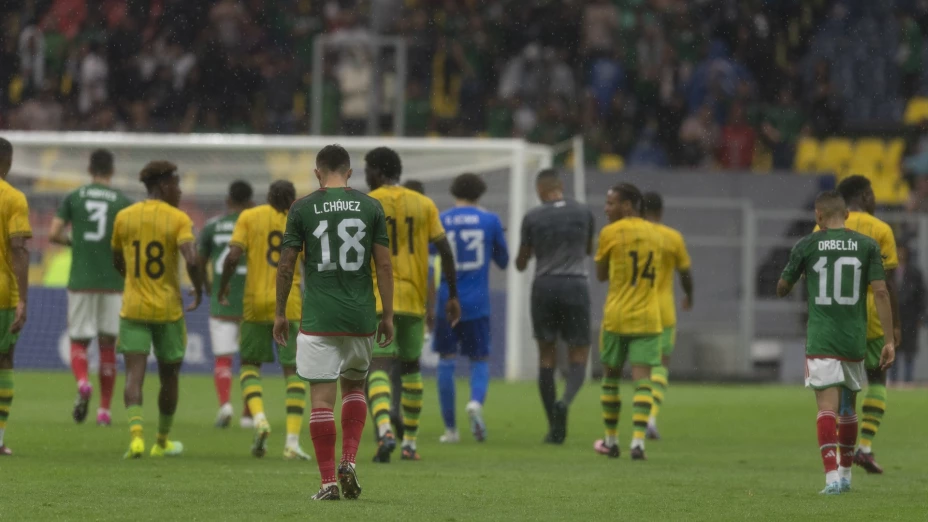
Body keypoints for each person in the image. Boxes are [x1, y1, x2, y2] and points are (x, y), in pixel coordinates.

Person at [274, 144, 394, 500]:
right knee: (355, 388)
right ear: (350, 173)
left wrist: (280, 313)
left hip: (318, 317)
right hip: (360, 316)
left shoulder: (302, 208)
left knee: (321, 401)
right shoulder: (371, 206)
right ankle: (349, 461)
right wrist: (387, 314)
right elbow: (384, 266)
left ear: (317, 173)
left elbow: (286, 265)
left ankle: (328, 482)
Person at [777, 190, 895, 495]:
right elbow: (881, 293)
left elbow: (781, 288)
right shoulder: (868, 245)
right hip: (854, 337)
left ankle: (830, 478)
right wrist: (890, 339)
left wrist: (797, 274)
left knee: (826, 408)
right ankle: (846, 475)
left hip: (822, 337)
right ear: (846, 215)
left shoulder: (807, 244)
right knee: (848, 408)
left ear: (818, 216)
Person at [365, 147, 460, 462]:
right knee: (410, 368)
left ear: (377, 171)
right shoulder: (424, 204)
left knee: (377, 366)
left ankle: (384, 430)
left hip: (379, 297)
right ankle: (411, 444)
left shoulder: (368, 203)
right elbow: (445, 251)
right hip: (414, 299)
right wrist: (453, 295)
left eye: (367, 170)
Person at [112, 161, 206, 458]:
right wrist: (199, 287)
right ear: (164, 185)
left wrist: (132, 279)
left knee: (133, 376)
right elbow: (191, 258)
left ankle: (136, 437)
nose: (179, 190)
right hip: (167, 310)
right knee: (169, 377)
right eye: (177, 184)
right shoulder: (178, 218)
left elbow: (117, 257)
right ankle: (162, 441)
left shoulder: (124, 217)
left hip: (134, 307)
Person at [217, 180, 309, 460]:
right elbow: (310, 264)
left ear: (268, 196)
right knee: (293, 370)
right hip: (289, 303)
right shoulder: (301, 220)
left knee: (249, 366)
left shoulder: (249, 216)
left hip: (255, 303)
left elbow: (232, 256)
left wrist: (223, 286)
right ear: (293, 200)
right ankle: (292, 442)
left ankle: (259, 419)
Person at [817, 175, 901, 474]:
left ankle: (842, 456)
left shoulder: (823, 226)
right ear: (865, 195)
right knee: (877, 380)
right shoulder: (881, 230)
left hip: (837, 317)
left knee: (843, 388)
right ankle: (864, 446)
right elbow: (887, 285)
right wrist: (896, 327)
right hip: (874, 316)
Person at [48, 149, 132, 427]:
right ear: (112, 170)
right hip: (113, 283)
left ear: (89, 169)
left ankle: (83, 382)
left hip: (82, 281)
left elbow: (53, 233)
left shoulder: (75, 197)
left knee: (79, 341)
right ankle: (104, 411)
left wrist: (78, 243)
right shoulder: (121, 201)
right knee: (108, 344)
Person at [515, 169, 595, 445]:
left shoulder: (534, 216)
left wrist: (534, 252)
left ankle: (554, 427)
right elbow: (587, 250)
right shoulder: (584, 212)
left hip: (544, 286)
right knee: (579, 353)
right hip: (575, 284)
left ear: (540, 190)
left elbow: (521, 261)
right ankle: (566, 400)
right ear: (560, 186)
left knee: (547, 357)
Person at [435, 173, 509, 444]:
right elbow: (504, 261)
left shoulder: (441, 219)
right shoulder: (490, 220)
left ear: (454, 190)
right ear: (480, 193)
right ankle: (475, 402)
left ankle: (451, 430)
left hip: (447, 299)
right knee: (479, 360)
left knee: (446, 359)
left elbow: (432, 256)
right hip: (477, 302)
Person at [593, 183, 662, 461]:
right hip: (647, 316)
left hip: (617, 316)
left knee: (610, 378)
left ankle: (611, 441)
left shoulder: (609, 233)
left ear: (627, 206)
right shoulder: (655, 234)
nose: (606, 209)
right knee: (643, 381)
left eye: (611, 204)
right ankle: (638, 444)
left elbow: (600, 275)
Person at [197, 180, 253, 428]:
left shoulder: (212, 226)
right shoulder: (256, 224)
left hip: (223, 297)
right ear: (250, 201)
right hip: (252, 299)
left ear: (228, 201)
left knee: (223, 358)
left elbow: (198, 262)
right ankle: (249, 414)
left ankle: (225, 405)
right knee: (251, 360)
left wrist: (208, 287)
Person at [641, 192, 694, 440]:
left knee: (639, 367)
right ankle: (650, 417)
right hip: (663, 309)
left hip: (637, 308)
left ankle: (630, 420)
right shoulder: (673, 238)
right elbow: (685, 273)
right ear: (661, 213)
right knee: (660, 365)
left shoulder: (633, 235)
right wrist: (689, 296)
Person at [0, 138, 31, 456]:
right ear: (7, 162)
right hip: (2, 294)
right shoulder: (13, 198)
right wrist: (23, 299)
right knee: (4, 360)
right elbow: (18, 249)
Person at [891, 243, 925, 384]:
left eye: (902, 251)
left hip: (910, 317)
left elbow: (922, 296)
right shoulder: (889, 271)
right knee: (894, 350)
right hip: (894, 318)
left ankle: (908, 382)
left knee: (909, 352)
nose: (900, 253)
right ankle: (893, 382)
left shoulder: (915, 273)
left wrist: (921, 316)